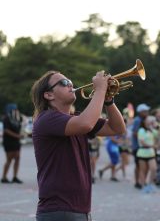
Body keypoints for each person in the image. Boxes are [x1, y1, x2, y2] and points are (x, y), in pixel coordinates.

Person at [31, 70, 126, 221]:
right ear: (49, 95)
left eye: (70, 81)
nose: (70, 84)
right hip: (58, 210)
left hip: (79, 209)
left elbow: (117, 128)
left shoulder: (76, 118)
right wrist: (100, 90)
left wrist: (108, 100)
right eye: (63, 83)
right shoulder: (46, 119)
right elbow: (86, 124)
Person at [1, 103, 23, 184]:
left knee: (17, 158)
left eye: (16, 109)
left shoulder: (17, 118)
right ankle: (4, 177)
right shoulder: (6, 118)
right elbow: (6, 130)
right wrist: (17, 136)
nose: (16, 110)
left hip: (16, 141)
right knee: (9, 159)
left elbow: (21, 127)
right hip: (9, 141)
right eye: (14, 109)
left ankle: (15, 176)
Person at [131, 103, 150, 189]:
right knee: (138, 165)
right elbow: (135, 133)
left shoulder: (142, 120)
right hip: (137, 147)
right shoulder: (137, 120)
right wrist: (144, 138)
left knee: (142, 165)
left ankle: (140, 181)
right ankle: (137, 182)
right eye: (145, 111)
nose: (147, 112)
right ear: (140, 112)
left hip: (140, 147)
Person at [137, 116, 157, 193]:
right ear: (144, 122)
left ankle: (150, 184)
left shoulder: (152, 130)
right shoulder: (141, 130)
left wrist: (155, 127)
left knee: (153, 168)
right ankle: (143, 185)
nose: (150, 122)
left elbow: (157, 137)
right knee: (143, 170)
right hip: (142, 153)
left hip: (151, 153)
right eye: (148, 120)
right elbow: (141, 141)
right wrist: (152, 145)